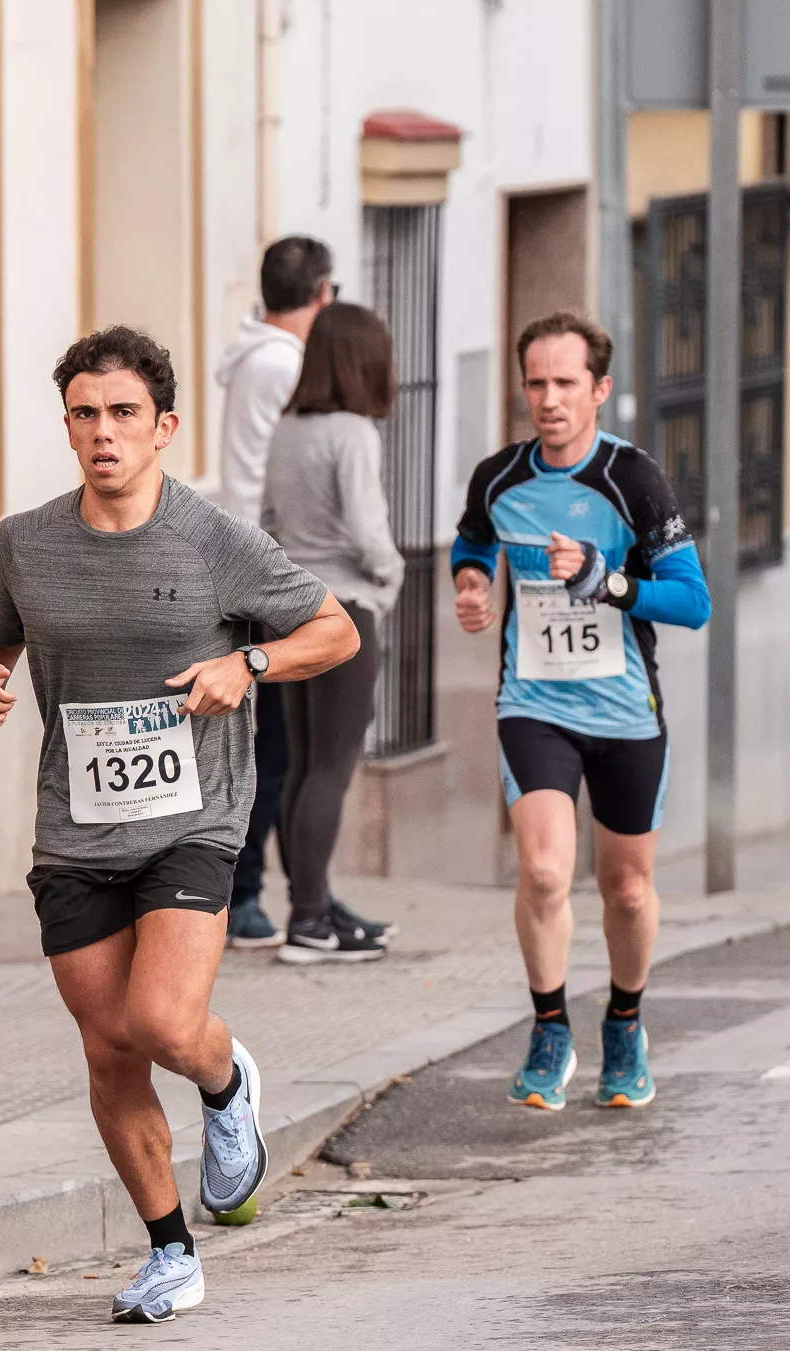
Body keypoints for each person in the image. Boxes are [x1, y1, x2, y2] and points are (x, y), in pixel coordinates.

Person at [0, 326, 358, 1323]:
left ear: (165, 427)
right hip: (77, 830)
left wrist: (248, 665)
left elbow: (335, 628)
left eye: (124, 413)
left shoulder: (213, 540)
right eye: (85, 414)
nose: (104, 432)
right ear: (67, 427)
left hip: (194, 822)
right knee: (108, 1049)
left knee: (163, 1023)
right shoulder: (24, 544)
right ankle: (170, 1251)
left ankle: (225, 1081)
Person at [449, 312, 710, 1111]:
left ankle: (625, 1021)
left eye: (567, 383)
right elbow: (471, 541)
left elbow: (694, 602)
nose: (550, 399)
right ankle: (550, 1023)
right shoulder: (499, 477)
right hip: (535, 705)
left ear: (599, 389)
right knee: (545, 870)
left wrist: (609, 579)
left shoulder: (633, 480)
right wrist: (470, 583)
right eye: (536, 383)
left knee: (627, 889)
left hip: (627, 711)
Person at [259, 301, 404, 962]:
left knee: (300, 765)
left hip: (293, 609)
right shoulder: (353, 433)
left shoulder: (287, 428)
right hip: (345, 609)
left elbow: (267, 517)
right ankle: (311, 920)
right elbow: (369, 531)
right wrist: (389, 577)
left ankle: (313, 906)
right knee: (331, 768)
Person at [213, 234, 329, 950]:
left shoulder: (251, 356)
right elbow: (273, 476)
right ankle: (246, 892)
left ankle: (249, 889)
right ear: (321, 295)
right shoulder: (286, 364)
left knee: (269, 744)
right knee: (275, 749)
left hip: (243, 553)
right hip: (264, 565)